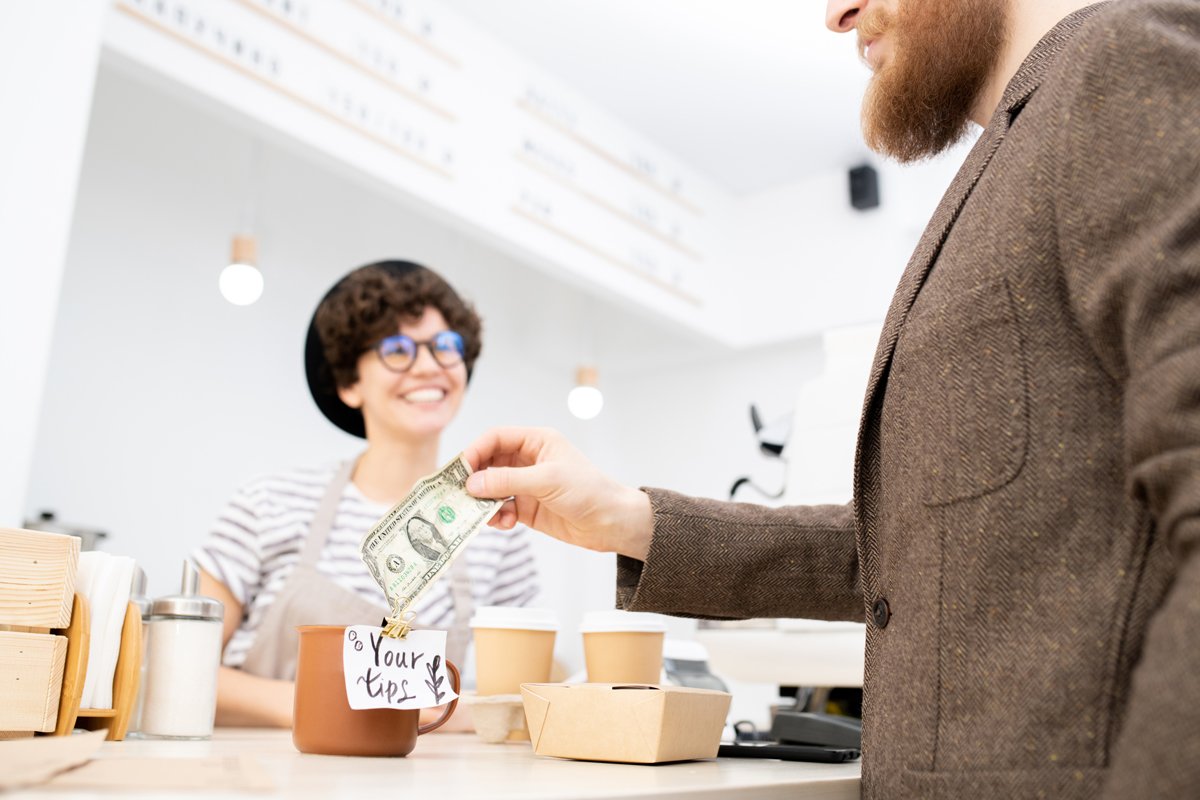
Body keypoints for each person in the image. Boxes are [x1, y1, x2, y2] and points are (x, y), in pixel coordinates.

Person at [463, 1, 1199, 798]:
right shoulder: (1021, 144)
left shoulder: (1118, 62)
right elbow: (911, 551)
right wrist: (629, 517)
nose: (836, 13)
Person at [194, 260, 539, 728]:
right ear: (349, 384)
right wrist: (338, 705)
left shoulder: (500, 531)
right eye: (397, 349)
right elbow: (181, 666)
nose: (428, 366)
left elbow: (514, 700)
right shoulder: (267, 504)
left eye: (445, 347)